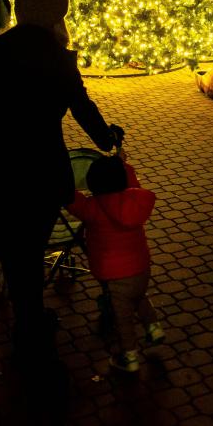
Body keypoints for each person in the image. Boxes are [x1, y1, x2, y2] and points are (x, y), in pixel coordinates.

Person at [0, 24, 123, 366]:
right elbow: (82, 106)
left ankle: (27, 320)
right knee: (32, 247)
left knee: (14, 250)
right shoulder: (56, 59)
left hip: (1, 173)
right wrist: (107, 139)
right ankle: (33, 324)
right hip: (45, 173)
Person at [66, 152, 164, 373]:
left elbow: (72, 200)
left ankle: (129, 357)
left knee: (123, 317)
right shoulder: (134, 200)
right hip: (140, 268)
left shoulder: (91, 208)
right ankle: (153, 327)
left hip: (115, 274)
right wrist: (122, 164)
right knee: (138, 296)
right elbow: (132, 181)